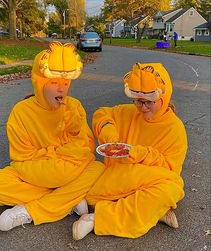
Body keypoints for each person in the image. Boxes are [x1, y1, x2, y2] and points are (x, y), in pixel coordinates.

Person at [0, 41, 105, 231]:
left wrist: (75, 129)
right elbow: (21, 158)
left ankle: (31, 212)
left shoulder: (75, 106)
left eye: (65, 83)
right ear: (39, 83)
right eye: (54, 82)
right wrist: (56, 155)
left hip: (69, 169)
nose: (61, 89)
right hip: (39, 171)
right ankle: (67, 199)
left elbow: (86, 150)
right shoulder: (21, 112)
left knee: (97, 168)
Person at [72, 62, 188, 240]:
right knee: (172, 189)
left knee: (169, 189)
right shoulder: (128, 112)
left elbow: (169, 169)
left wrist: (139, 154)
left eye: (149, 102)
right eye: (138, 101)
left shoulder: (175, 129)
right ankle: (154, 211)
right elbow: (101, 114)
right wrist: (109, 134)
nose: (143, 107)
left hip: (148, 183)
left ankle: (96, 219)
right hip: (114, 180)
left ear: (163, 98)